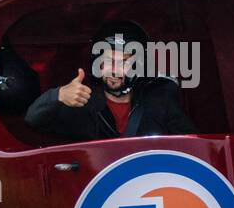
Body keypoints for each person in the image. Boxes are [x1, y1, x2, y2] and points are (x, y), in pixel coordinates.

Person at [25, 22, 194, 140]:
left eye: (123, 62)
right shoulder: (83, 102)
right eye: (107, 61)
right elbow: (32, 120)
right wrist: (58, 95)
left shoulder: (159, 101)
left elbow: (189, 141)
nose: (114, 69)